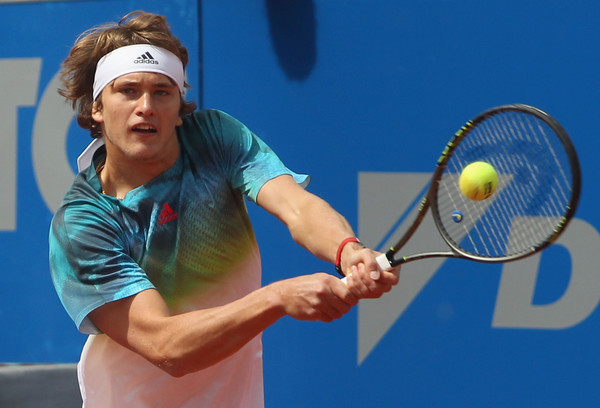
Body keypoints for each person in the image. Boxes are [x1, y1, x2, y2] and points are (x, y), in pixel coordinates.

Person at [49, 10, 399, 408]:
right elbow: (167, 346)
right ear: (97, 108)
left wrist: (348, 251)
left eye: (162, 92)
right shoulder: (82, 224)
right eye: (128, 90)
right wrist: (277, 298)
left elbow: (296, 206)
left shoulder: (214, 138)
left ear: (179, 107)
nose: (146, 106)